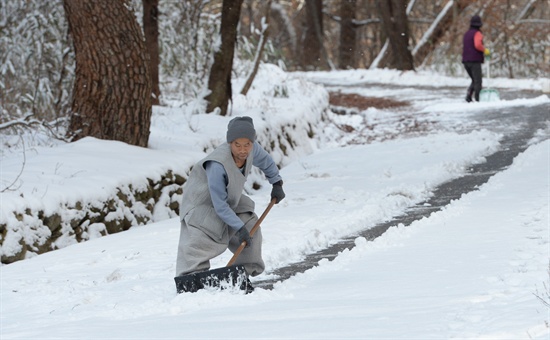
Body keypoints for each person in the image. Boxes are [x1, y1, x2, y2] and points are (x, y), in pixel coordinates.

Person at [175, 116, 285, 282]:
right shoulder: (217, 165)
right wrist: (238, 228)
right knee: (200, 240)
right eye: (237, 145)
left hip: (229, 200)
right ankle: (191, 278)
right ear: (229, 143)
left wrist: (276, 182)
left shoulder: (252, 149)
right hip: (201, 204)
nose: (242, 150)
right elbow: (219, 205)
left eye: (247, 144)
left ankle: (245, 270)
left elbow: (266, 162)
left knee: (250, 224)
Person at [462, 14, 491, 102]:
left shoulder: (467, 34)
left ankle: (469, 96)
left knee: (474, 80)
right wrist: (485, 50)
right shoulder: (477, 33)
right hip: (474, 60)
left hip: (465, 60)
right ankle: (478, 99)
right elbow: (477, 44)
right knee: (478, 81)